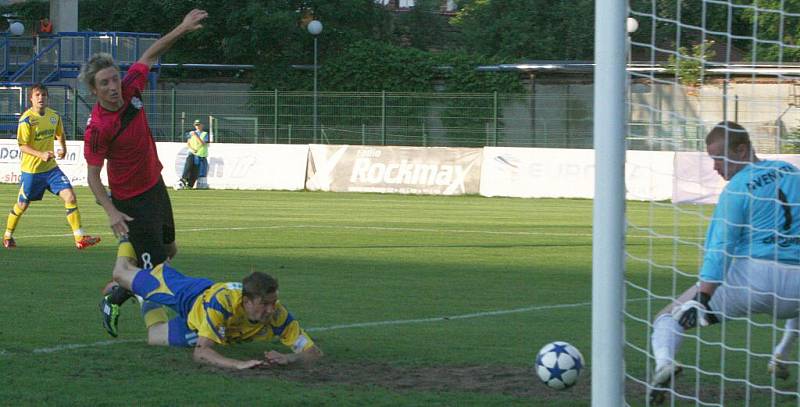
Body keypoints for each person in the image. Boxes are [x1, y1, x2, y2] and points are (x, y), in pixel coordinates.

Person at [648, 121, 800, 404]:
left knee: (667, 318)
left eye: (719, 157)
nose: (716, 166)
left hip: (754, 279)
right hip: (797, 286)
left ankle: (665, 363)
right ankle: (782, 352)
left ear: (742, 150)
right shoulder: (793, 172)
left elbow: (720, 248)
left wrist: (702, 298)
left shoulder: (738, 188)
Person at [81, 9, 207, 310]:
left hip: (155, 186)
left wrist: (182, 27)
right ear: (94, 90)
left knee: (170, 249)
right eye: (104, 84)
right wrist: (112, 211)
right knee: (158, 271)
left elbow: (149, 55)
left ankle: (119, 289)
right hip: (132, 200)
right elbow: (92, 177)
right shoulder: (99, 128)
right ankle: (170, 324)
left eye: (114, 79)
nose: (113, 88)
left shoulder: (132, 86)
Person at [100, 237, 323, 369]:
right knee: (121, 273)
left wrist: (289, 357)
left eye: (273, 302)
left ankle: (138, 294)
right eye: (265, 304)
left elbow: (314, 352)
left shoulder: (277, 315)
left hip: (198, 323)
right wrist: (238, 364)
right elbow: (201, 353)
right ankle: (124, 237)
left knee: (154, 337)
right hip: (188, 295)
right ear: (246, 301)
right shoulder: (222, 304)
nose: (271, 309)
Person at [3, 83, 100, 249]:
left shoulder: (54, 116)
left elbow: (60, 134)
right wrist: (40, 154)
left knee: (70, 196)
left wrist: (63, 148)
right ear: (31, 98)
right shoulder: (27, 120)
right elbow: (22, 146)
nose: (41, 98)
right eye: (37, 95)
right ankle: (7, 236)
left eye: (44, 95)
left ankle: (79, 239)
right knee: (22, 205)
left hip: (51, 170)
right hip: (32, 171)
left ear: (47, 98)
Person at [179, 119, 210, 189]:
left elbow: (203, 143)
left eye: (198, 125)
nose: (197, 126)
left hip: (200, 155)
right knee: (188, 166)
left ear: (202, 125)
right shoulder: (191, 133)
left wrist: (196, 136)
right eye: (196, 125)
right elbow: (188, 143)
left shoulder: (204, 134)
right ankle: (183, 179)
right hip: (192, 153)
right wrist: (193, 149)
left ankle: (190, 185)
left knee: (195, 170)